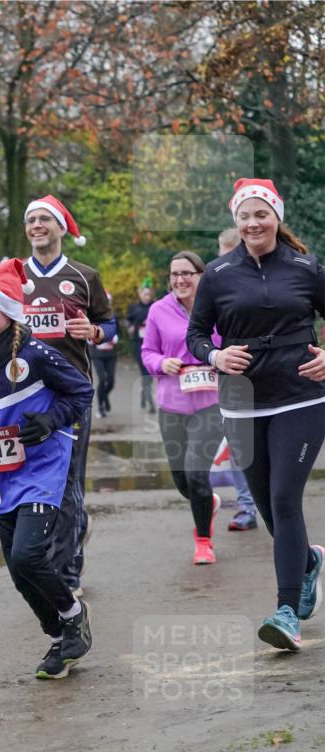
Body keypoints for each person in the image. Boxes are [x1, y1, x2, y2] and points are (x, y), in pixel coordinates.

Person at [187, 177, 325, 651]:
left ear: (276, 218)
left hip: (300, 396)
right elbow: (196, 334)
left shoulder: (306, 267)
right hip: (242, 401)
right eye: (244, 216)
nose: (252, 223)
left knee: (284, 498)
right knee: (266, 503)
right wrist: (216, 356)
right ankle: (307, 563)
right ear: (237, 222)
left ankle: (286, 611)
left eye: (261, 214)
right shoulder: (218, 274)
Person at [0, 258, 94, 679]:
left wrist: (50, 420)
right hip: (1, 473)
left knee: (28, 556)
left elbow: (82, 392)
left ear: (9, 309)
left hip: (42, 466)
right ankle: (60, 637)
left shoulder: (37, 353)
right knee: (18, 571)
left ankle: (74, 615)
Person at [23, 194, 114, 595]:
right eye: (31, 220)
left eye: (45, 219)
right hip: (24, 394)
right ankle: (59, 541)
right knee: (32, 479)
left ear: (60, 228)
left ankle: (67, 569)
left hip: (71, 392)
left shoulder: (84, 276)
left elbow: (109, 325)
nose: (37, 226)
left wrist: (93, 332)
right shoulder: (13, 275)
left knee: (68, 481)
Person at [142, 251, 224, 564]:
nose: (180, 280)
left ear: (201, 276)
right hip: (172, 405)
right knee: (183, 481)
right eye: (175, 274)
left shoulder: (218, 307)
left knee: (196, 473)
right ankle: (207, 502)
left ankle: (203, 541)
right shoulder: (158, 310)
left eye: (187, 273)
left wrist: (220, 358)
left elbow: (232, 343)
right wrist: (162, 363)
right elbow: (147, 352)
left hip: (210, 404)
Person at [215, 228, 258, 531]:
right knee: (239, 446)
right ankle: (247, 506)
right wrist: (213, 356)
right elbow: (199, 332)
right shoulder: (214, 284)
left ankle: (271, 501)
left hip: (269, 378)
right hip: (229, 379)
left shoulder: (265, 283)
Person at [127, 280, 156, 413]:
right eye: (145, 294)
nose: (147, 297)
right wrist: (130, 327)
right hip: (138, 345)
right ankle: (150, 402)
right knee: (145, 372)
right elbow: (128, 322)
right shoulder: (134, 308)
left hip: (153, 345)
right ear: (140, 294)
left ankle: (145, 394)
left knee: (149, 373)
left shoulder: (156, 307)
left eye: (149, 294)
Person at [89, 290, 118, 418]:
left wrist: (114, 338)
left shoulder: (113, 316)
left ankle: (104, 397)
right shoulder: (91, 316)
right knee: (102, 379)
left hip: (111, 354)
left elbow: (117, 332)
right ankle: (101, 406)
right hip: (97, 355)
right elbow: (87, 336)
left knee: (111, 381)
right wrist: (94, 336)